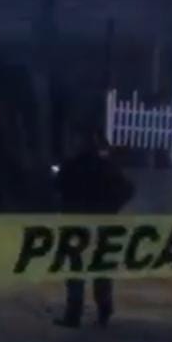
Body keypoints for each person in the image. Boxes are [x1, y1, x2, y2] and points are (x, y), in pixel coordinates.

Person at [52, 130, 134, 329]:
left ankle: (74, 315)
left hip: (76, 225)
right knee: (102, 269)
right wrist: (112, 207)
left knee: (76, 271)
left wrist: (66, 207)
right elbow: (128, 189)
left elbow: (56, 189)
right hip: (103, 225)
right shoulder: (107, 167)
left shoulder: (71, 166)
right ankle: (104, 312)